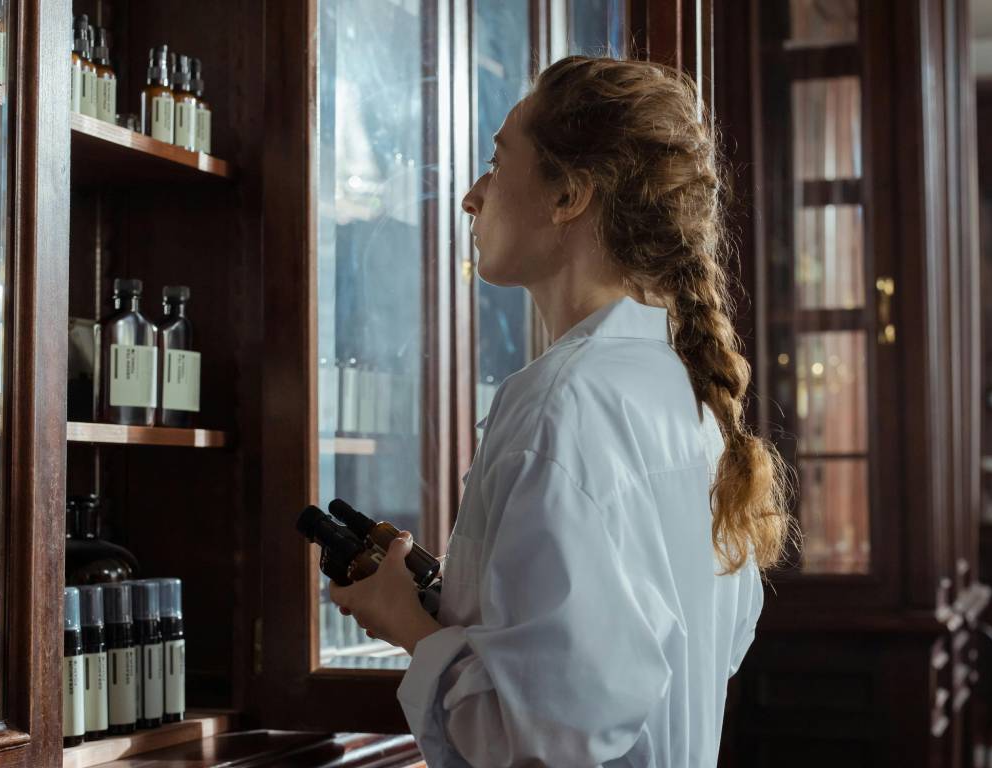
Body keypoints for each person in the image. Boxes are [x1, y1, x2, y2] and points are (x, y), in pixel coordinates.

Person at [329, 55, 791, 767]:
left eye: (497, 159)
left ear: (569, 195)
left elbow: (544, 744)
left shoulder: (564, 405)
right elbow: (664, 661)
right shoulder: (682, 394)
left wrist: (408, 626)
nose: (471, 196)